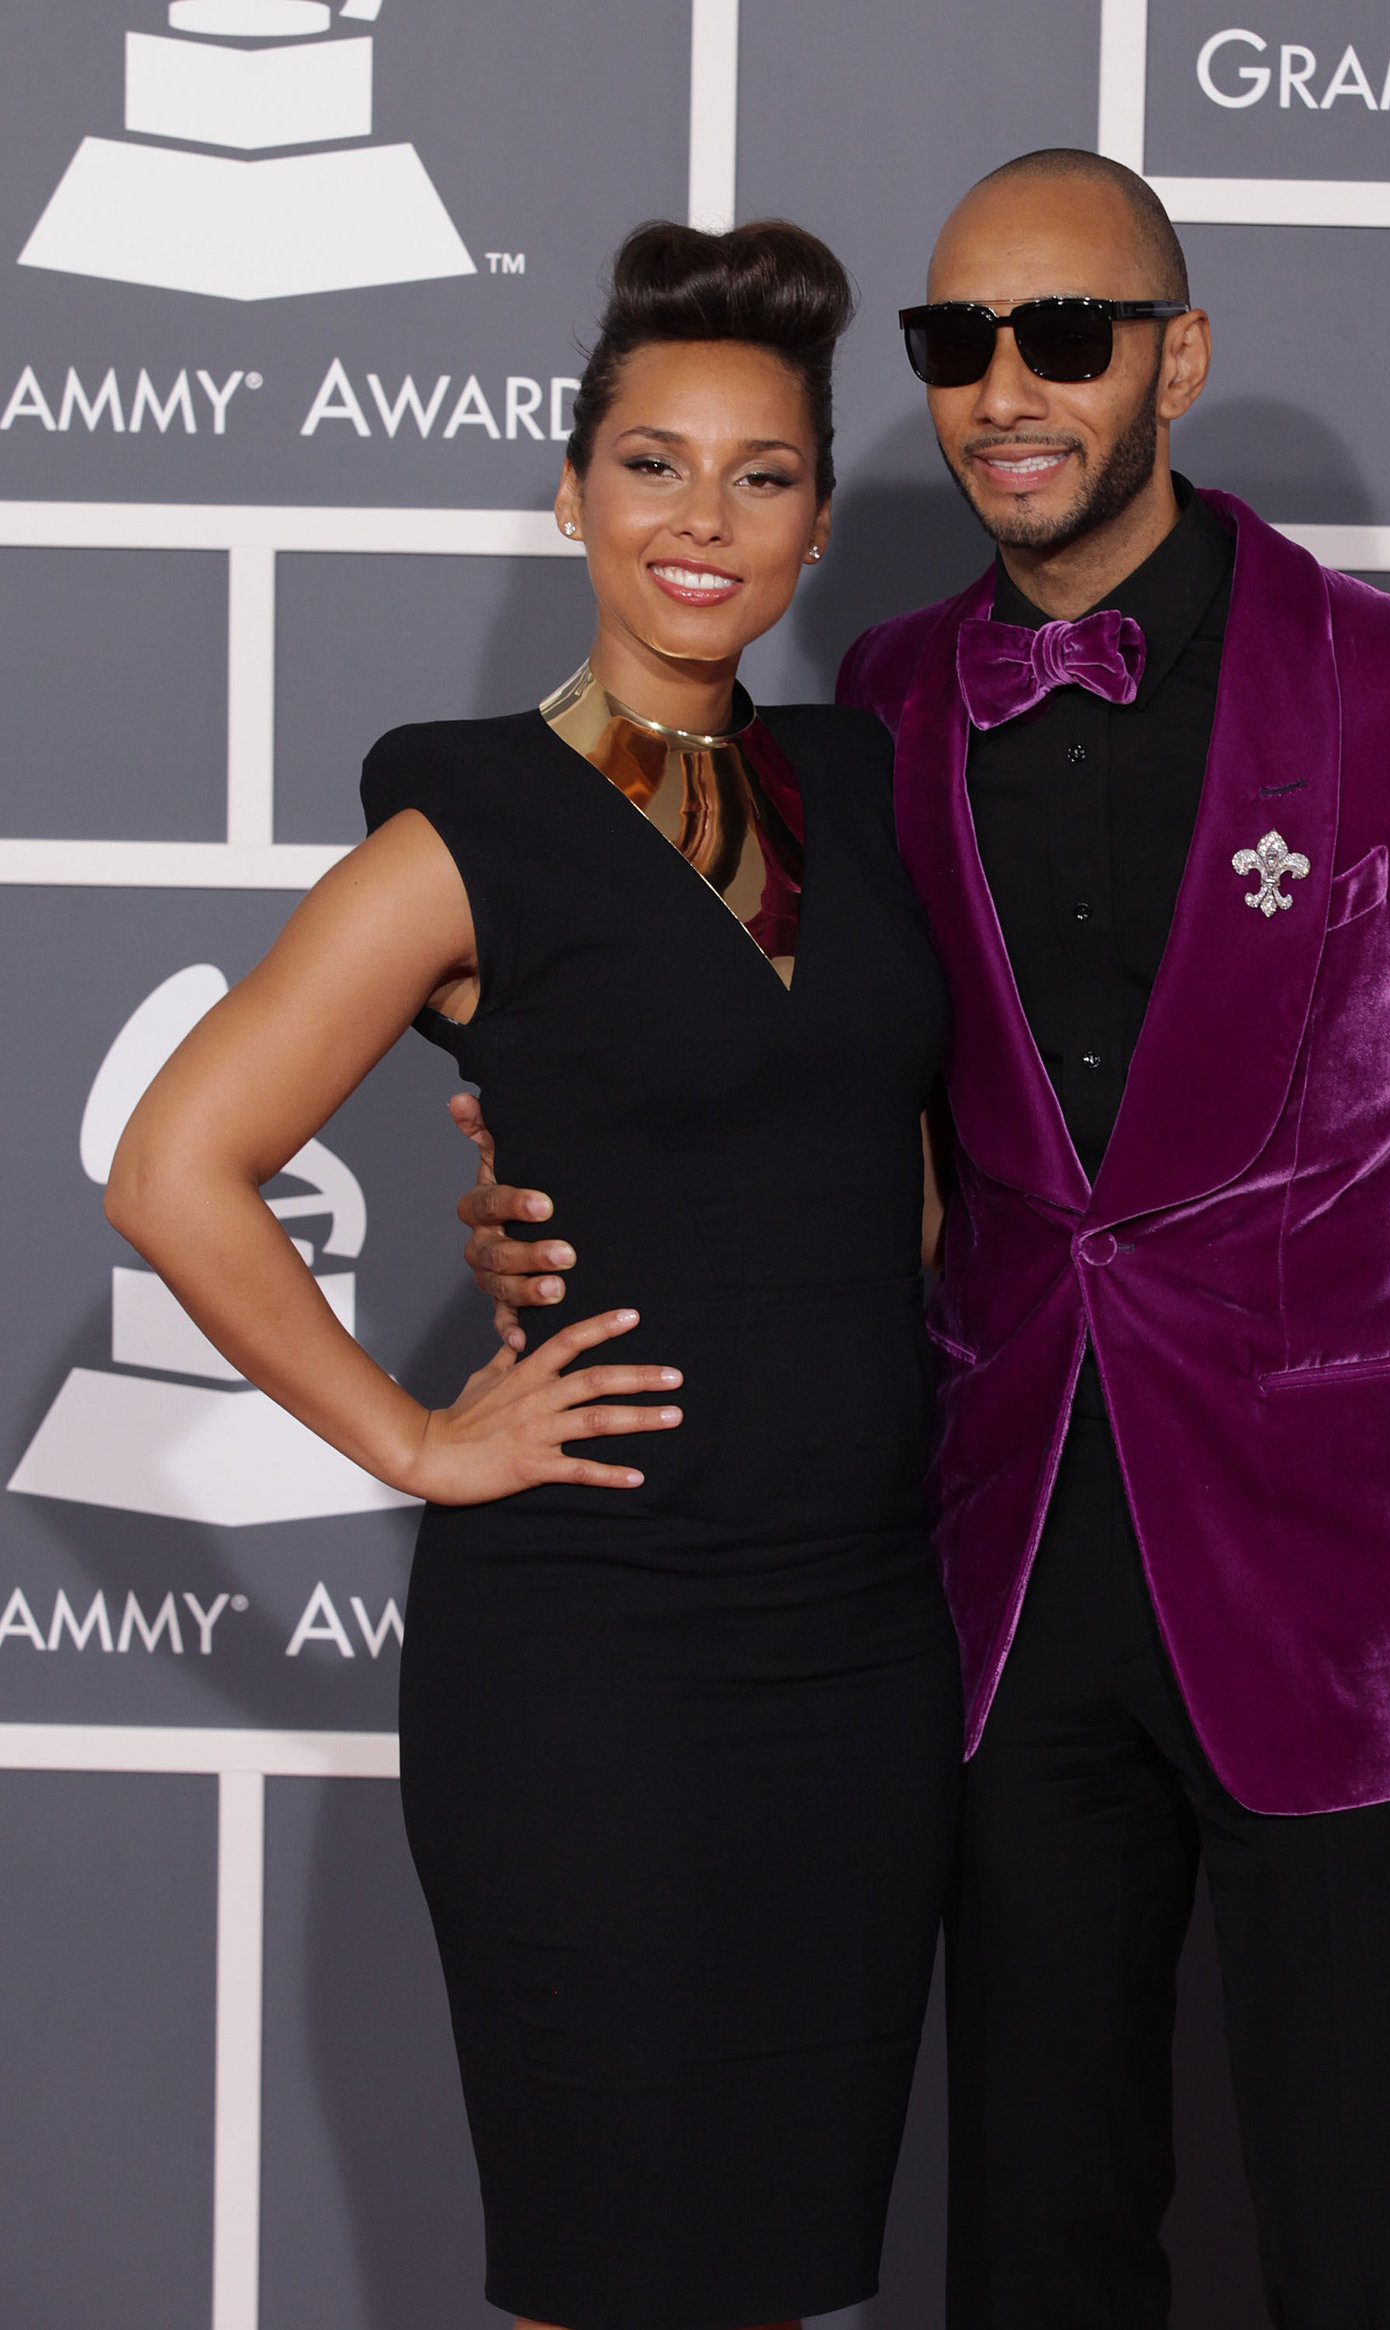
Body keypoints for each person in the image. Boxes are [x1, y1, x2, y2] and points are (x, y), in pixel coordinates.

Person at [459, 154, 1390, 2330]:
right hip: (989, 1577)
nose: (1004, 389)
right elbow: (765, 1075)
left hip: (1342, 1595)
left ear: (1173, 359)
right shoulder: (873, 714)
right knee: (1032, 2237)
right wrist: (536, 1177)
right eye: (954, 345)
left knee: (1377, 2229)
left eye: (1064, 335)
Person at [104, 218, 963, 2330]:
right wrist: (413, 1430)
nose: (702, 519)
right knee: (607, 2271)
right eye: (651, 463)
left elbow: (905, 1175)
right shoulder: (466, 824)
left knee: (772, 2276)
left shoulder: (854, 787)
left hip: (859, 1656)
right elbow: (175, 1166)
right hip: (597, 1673)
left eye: (758, 476)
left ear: (815, 521)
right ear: (570, 490)